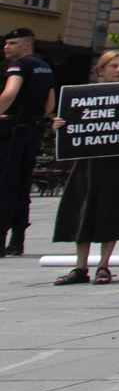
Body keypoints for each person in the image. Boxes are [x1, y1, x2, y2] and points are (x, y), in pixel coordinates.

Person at [51, 49, 119, 285]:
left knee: (111, 211)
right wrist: (59, 126)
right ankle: (80, 266)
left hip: (117, 161)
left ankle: (104, 265)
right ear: (101, 70)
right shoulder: (83, 95)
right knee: (82, 210)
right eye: (114, 66)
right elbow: (70, 130)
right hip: (87, 162)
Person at [0, 27, 56, 257]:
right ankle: (17, 240)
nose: (6, 47)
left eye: (11, 43)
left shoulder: (20, 65)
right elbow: (50, 104)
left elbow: (10, 94)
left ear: (26, 45)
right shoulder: (45, 67)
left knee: (4, 184)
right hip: (33, 131)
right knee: (23, 186)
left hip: (12, 131)